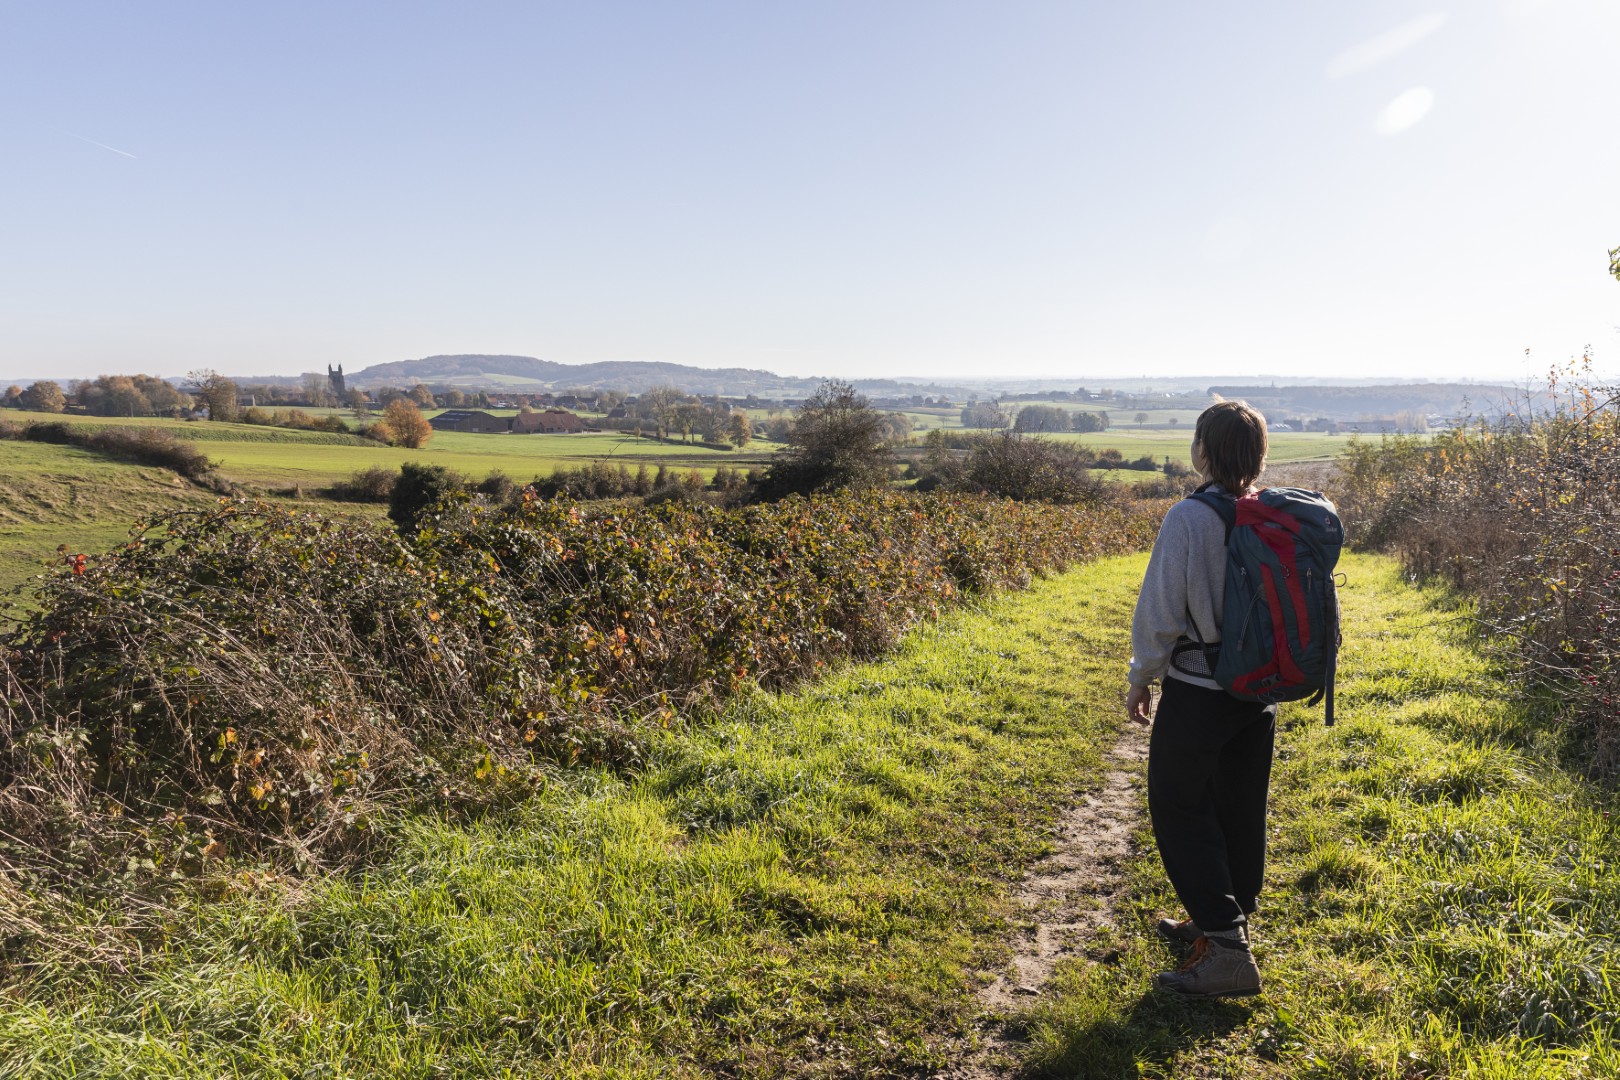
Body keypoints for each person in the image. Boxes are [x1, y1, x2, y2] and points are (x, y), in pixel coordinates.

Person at [1125, 400, 1272, 998]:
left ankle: (1227, 952)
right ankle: (1223, 920)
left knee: (1179, 805)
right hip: (1259, 692)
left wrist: (1142, 675)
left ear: (1203, 452)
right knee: (1238, 804)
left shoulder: (1189, 517)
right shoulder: (1273, 513)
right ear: (1259, 454)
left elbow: (1160, 610)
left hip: (1199, 689)